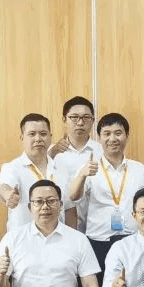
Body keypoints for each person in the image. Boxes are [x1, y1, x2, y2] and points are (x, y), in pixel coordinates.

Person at [68, 112, 144, 272]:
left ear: (127, 136)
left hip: (133, 240)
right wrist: (82, 175)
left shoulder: (141, 170)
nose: (112, 139)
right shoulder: (88, 168)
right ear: (99, 138)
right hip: (99, 240)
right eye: (107, 134)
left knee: (133, 285)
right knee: (102, 285)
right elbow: (73, 196)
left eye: (118, 133)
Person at [48, 96, 103, 230]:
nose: (80, 122)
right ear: (64, 120)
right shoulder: (52, 152)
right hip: (58, 223)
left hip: (95, 224)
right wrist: (50, 156)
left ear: (93, 121)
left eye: (86, 118)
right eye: (74, 117)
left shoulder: (102, 152)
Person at [0, 113, 58, 231]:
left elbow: (69, 208)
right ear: (22, 138)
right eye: (32, 134)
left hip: (56, 238)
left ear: (50, 137)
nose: (38, 139)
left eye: (43, 134)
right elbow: (3, 187)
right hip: (23, 239)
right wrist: (8, 195)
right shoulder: (12, 168)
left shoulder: (61, 168)